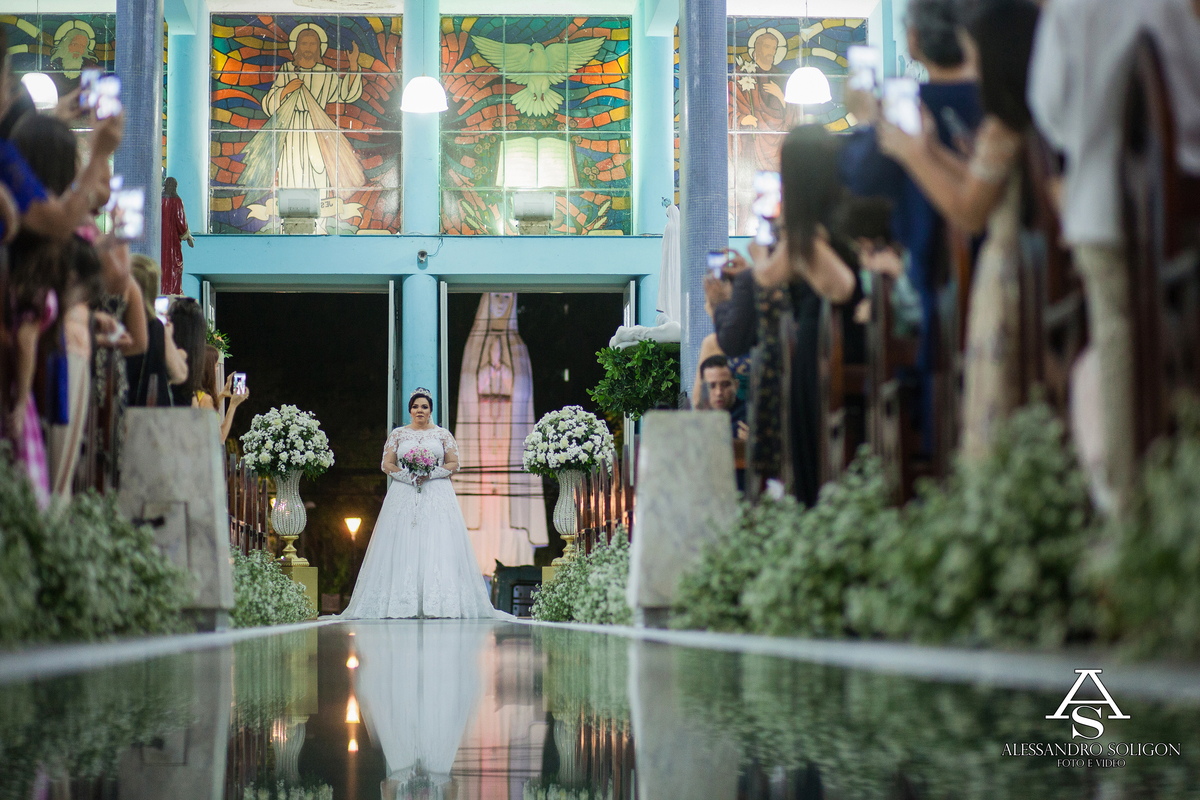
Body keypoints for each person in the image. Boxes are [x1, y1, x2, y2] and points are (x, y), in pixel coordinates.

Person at [1028, 0, 1200, 512]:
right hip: (1177, 214)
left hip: (1098, 210)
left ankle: (1127, 501)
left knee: (1119, 349)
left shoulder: (1068, 11)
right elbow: (1190, 100)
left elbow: (1050, 110)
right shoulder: (1167, 5)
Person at [878, 0, 1041, 462]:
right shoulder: (1021, 117)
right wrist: (931, 149)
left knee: (994, 411)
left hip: (1005, 267)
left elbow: (970, 211)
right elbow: (979, 179)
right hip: (1025, 260)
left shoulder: (1003, 125)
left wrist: (912, 154)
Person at [840, 0, 983, 457]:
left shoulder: (908, 114)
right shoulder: (1002, 101)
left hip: (936, 296)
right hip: (1011, 272)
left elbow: (860, 178)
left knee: (942, 427)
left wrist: (866, 118)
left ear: (915, 40)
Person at [710, 125, 865, 506]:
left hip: (818, 340)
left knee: (812, 447)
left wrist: (756, 256)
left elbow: (775, 275)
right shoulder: (842, 216)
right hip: (841, 334)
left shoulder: (808, 229)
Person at [341, 388, 506, 619]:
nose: (420, 410)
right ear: (410, 410)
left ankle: (438, 604)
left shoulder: (443, 435)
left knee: (437, 541)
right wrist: (408, 476)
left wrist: (430, 473)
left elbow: (454, 464)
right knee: (402, 541)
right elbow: (386, 464)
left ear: (430, 411)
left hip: (437, 492)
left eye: (424, 407)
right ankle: (400, 603)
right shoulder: (398, 435)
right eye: (416, 406)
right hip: (403, 492)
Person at [238, 24, 364, 192]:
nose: (308, 48)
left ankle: (321, 205)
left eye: (312, 44)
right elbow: (269, 104)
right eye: (304, 43)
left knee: (319, 167)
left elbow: (345, 93)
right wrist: (285, 91)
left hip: (318, 127)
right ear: (297, 46)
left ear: (319, 48)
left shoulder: (326, 72)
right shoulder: (287, 70)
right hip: (291, 129)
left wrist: (354, 65)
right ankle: (290, 206)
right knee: (291, 168)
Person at [699, 355, 749, 442]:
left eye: (725, 385)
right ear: (703, 388)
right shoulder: (697, 422)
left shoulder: (750, 418)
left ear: (736, 385)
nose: (719, 392)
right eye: (712, 386)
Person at [160, 178, 193, 296]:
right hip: (172, 242)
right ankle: (173, 290)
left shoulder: (158, 201)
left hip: (160, 241)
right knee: (174, 264)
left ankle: (161, 289)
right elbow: (181, 222)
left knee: (161, 263)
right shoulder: (177, 201)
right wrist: (187, 236)